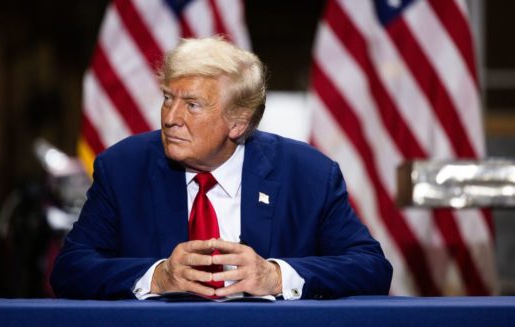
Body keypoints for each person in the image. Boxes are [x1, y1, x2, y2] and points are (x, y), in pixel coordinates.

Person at [50, 36, 392, 300]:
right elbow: (70, 270)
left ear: (238, 123)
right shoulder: (123, 168)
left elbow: (371, 268)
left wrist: (275, 276)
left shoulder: (308, 175)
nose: (170, 118)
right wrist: (158, 277)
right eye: (168, 98)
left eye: (192, 105)